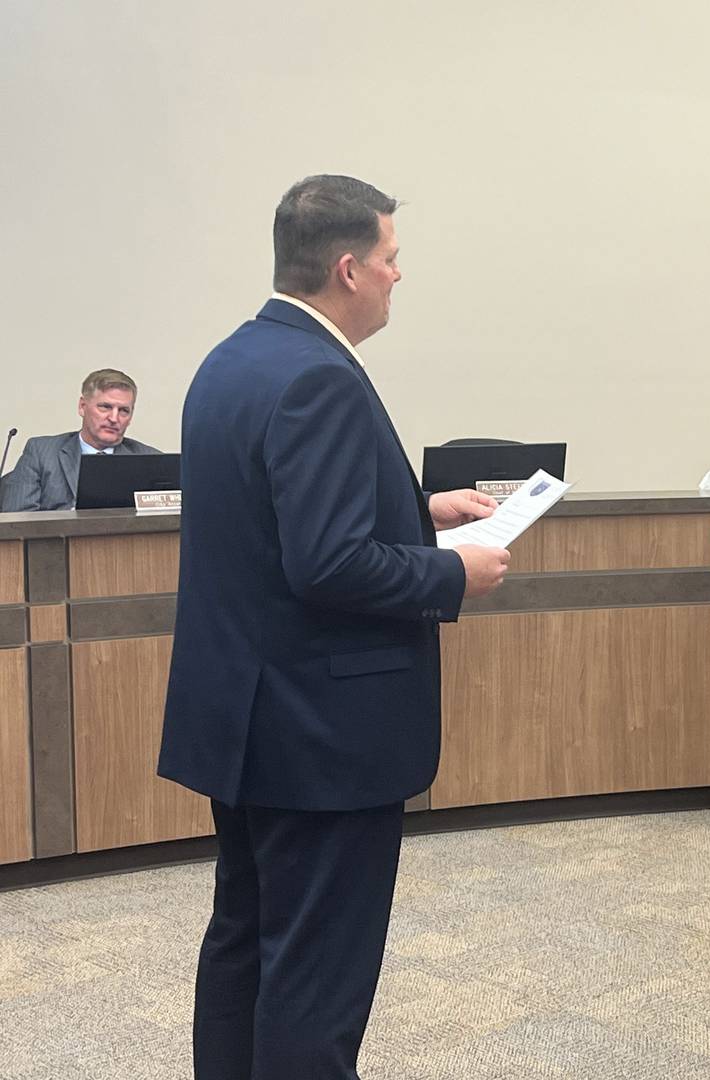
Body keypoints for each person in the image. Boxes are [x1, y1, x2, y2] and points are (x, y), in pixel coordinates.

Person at [158, 175, 510, 1079]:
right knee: (313, 982)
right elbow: (328, 565)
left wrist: (416, 510)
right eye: (391, 259)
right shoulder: (322, 376)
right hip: (320, 735)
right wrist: (453, 570)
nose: (400, 275)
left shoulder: (233, 360)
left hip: (247, 721)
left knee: (245, 942)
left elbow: (275, 524)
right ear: (349, 269)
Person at [0, 368, 161, 511]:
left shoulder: (151, 460)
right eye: (105, 407)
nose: (114, 418)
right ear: (82, 407)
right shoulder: (40, 453)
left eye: (124, 410)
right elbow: (18, 519)